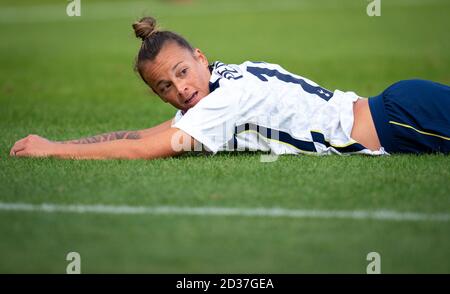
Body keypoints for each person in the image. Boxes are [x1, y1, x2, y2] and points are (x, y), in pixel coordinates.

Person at [9, 17, 450, 159]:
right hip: (398, 109)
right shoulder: (222, 80)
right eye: (165, 85)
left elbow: (147, 149)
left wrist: (54, 151)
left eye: (182, 72)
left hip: (399, 120)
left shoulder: (226, 99)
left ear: (200, 57)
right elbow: (147, 134)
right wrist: (58, 140)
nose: (179, 89)